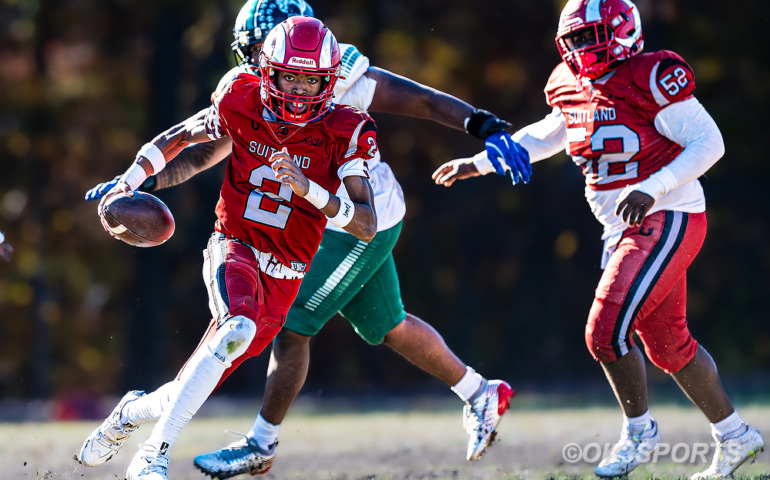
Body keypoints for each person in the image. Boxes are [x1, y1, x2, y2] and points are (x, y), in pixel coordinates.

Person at [84, 1, 528, 476]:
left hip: (352, 219)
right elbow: (198, 149)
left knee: (292, 326)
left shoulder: (341, 92)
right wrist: (136, 182)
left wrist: (480, 124)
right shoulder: (251, 94)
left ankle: (261, 441)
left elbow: (417, 101)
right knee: (386, 325)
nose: (284, 78)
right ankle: (482, 393)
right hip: (289, 225)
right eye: (258, 56)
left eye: (302, 72)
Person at [432, 0, 764, 478]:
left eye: (592, 36)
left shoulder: (649, 75)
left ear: (623, 30)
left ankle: (640, 434)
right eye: (575, 40)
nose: (583, 49)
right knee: (668, 346)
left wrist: (653, 188)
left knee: (604, 331)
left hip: (668, 215)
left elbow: (711, 142)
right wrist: (480, 163)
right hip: (623, 227)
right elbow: (554, 132)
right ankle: (736, 437)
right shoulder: (569, 84)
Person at [77, 17, 379, 480]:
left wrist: (311, 192)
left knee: (198, 378)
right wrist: (127, 182)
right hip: (234, 244)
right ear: (267, 70)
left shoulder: (346, 128)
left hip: (287, 273)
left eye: (310, 79)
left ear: (329, 80)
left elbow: (365, 225)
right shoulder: (241, 96)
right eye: (289, 76)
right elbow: (180, 137)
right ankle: (153, 455)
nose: (298, 90)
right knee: (234, 326)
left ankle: (131, 413)